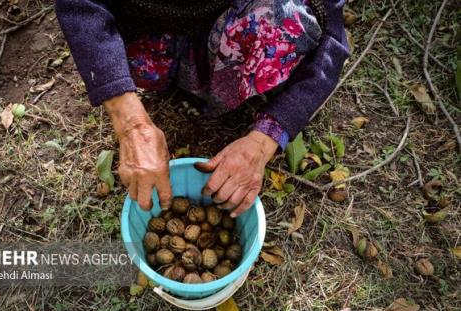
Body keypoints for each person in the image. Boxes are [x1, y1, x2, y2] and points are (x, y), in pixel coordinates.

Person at [55, 0, 349, 217]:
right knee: (102, 43)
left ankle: (214, 79)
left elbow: (331, 39)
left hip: (232, 28)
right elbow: (79, 7)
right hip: (150, 35)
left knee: (292, 21)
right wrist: (130, 122)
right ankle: (184, 76)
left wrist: (265, 140)